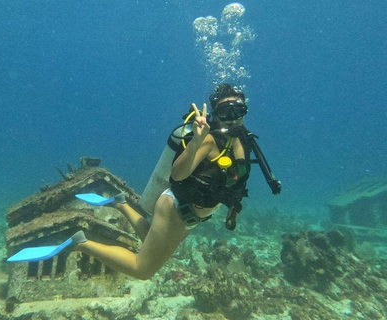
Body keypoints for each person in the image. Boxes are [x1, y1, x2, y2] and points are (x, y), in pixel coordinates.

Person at [74, 84, 277, 280]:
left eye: (238, 111)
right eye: (226, 112)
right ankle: (80, 243)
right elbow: (178, 174)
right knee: (142, 270)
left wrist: (233, 210)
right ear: (216, 114)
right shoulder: (209, 140)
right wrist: (196, 141)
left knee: (151, 243)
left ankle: (121, 204)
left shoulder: (243, 141)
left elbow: (236, 184)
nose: (233, 119)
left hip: (190, 216)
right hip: (176, 210)